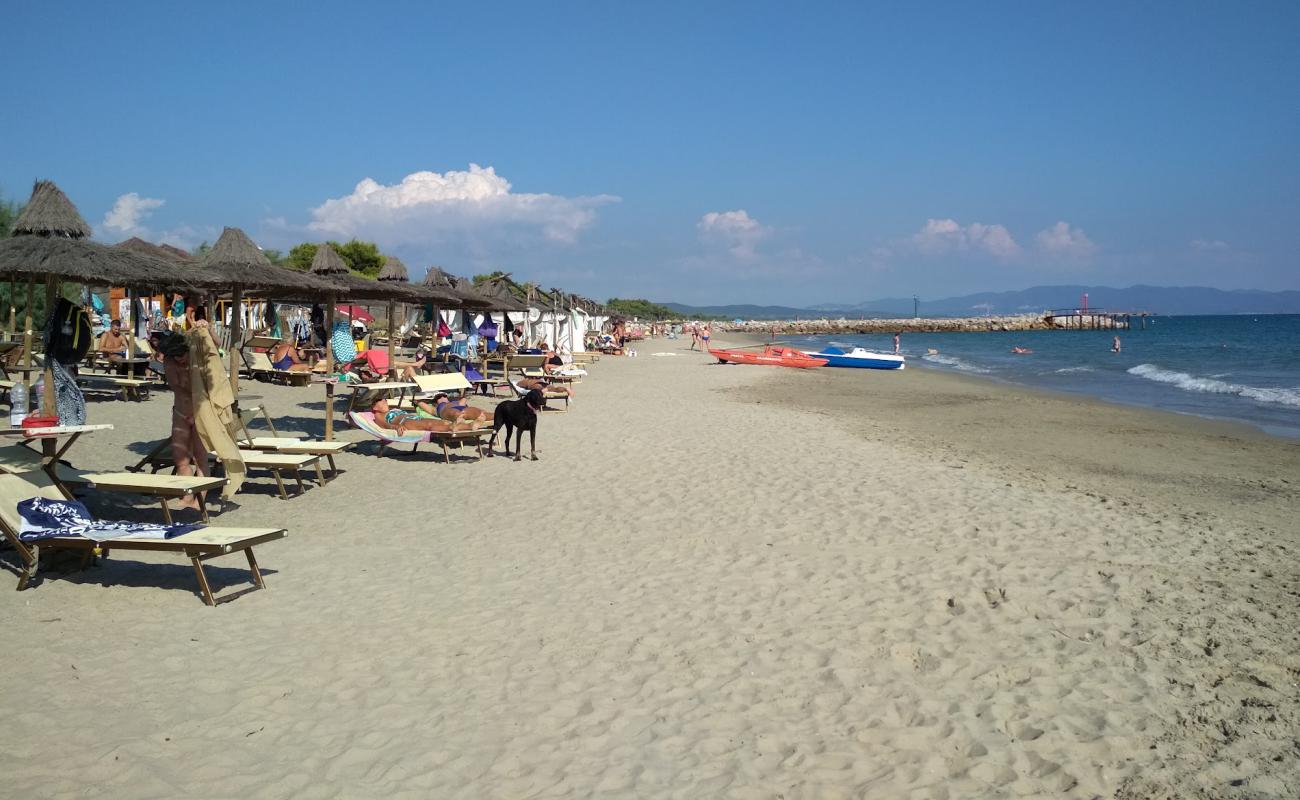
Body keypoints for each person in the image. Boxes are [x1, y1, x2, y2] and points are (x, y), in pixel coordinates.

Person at [371, 397, 457, 436]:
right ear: (375, 407)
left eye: (385, 400)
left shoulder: (391, 410)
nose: (384, 401)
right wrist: (396, 427)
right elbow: (383, 425)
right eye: (380, 401)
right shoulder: (378, 415)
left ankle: (463, 427)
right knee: (429, 425)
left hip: (415, 418)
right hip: (405, 422)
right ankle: (450, 429)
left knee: (442, 422)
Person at [423, 392, 491, 427]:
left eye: (444, 395)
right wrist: (417, 402)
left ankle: (495, 415)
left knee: (481, 413)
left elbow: (463, 400)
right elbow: (426, 407)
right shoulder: (437, 407)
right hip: (447, 410)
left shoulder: (454, 401)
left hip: (463, 408)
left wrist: (463, 398)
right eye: (439, 397)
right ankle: (459, 418)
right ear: (435, 402)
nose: (442, 397)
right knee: (454, 413)